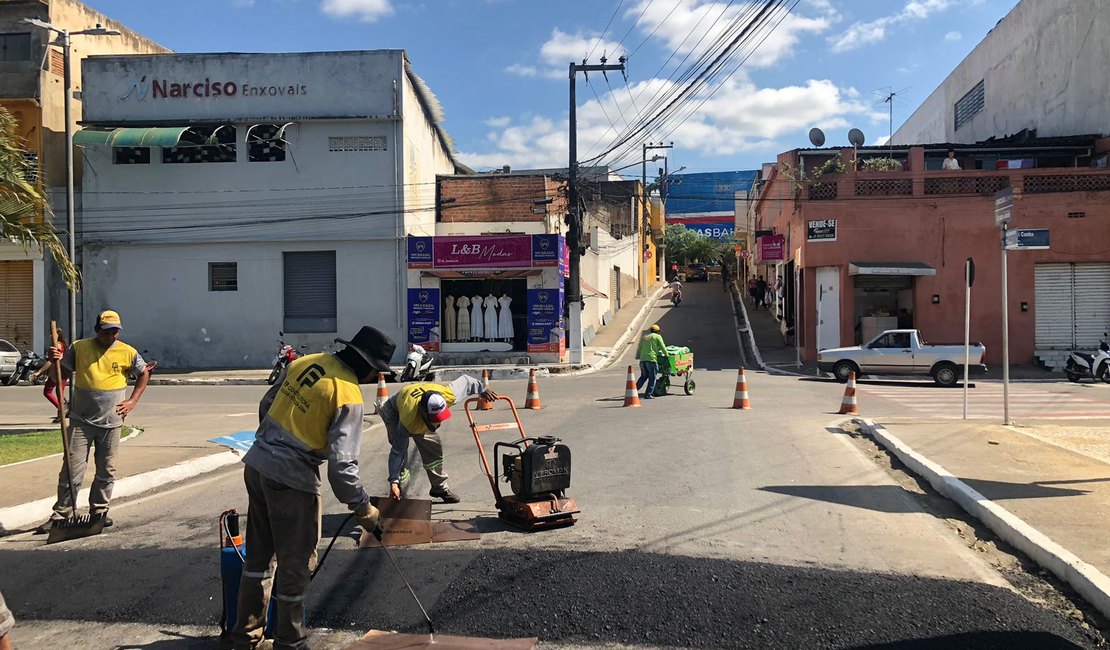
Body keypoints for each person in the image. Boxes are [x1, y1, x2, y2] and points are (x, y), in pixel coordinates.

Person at [230, 326, 396, 650]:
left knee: (259, 559)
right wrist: (363, 508)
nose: (377, 376)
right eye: (377, 369)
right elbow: (342, 470)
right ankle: (290, 641)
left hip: (258, 464)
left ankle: (245, 637)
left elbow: (266, 406)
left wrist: (278, 441)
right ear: (366, 363)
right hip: (292, 479)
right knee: (295, 564)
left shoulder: (305, 362)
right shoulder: (348, 393)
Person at [36, 310, 149, 534]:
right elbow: (59, 375)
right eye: (107, 331)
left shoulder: (128, 352)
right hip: (81, 420)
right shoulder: (79, 347)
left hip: (112, 421)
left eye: (115, 331)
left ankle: (99, 511)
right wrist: (53, 361)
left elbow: (144, 373)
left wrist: (132, 401)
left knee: (106, 469)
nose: (111, 335)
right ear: (98, 329)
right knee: (71, 468)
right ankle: (61, 514)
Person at [382, 373, 498, 504]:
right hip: (393, 411)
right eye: (435, 420)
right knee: (402, 455)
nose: (438, 424)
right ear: (424, 413)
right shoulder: (409, 421)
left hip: (416, 405)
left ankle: (439, 488)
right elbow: (398, 452)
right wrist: (393, 482)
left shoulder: (447, 394)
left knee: (434, 451)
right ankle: (399, 492)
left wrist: (482, 389)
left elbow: (467, 381)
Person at [34, 330, 67, 423]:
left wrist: (39, 371)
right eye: (51, 334)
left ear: (58, 335)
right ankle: (62, 410)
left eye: (53, 334)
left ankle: (62, 412)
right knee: (48, 392)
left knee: (58, 394)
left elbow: (50, 361)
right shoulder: (58, 345)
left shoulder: (58, 345)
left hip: (59, 373)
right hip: (54, 373)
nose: (51, 336)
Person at [636, 324, 667, 400]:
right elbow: (662, 346)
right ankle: (648, 394)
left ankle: (633, 391)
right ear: (657, 331)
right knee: (652, 378)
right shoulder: (657, 337)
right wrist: (666, 354)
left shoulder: (644, 337)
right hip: (651, 359)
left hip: (642, 360)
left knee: (643, 376)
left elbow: (639, 348)